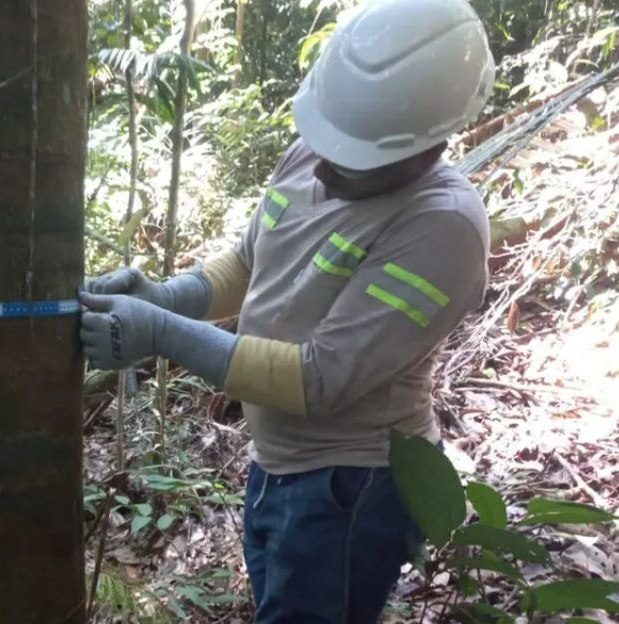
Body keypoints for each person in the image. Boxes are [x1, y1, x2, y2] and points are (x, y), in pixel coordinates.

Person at [79, 0, 494, 620]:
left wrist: (163, 331)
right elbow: (249, 263)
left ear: (426, 145)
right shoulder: (318, 148)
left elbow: (318, 379)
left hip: (352, 485)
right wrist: (166, 296)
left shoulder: (443, 227)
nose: (322, 166)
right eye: (324, 139)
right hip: (277, 467)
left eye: (351, 158)